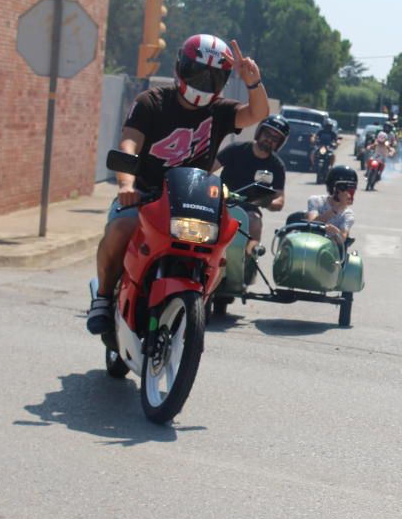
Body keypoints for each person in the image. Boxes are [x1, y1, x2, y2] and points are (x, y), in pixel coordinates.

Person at [87, 34, 269, 335]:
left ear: (223, 81)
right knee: (120, 228)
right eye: (197, 72)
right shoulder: (152, 102)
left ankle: (196, 299)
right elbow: (130, 141)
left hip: (193, 202)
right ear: (179, 68)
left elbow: (257, 114)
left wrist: (253, 82)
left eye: (213, 76)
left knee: (221, 251)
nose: (203, 81)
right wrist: (126, 184)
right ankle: (104, 299)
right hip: (146, 196)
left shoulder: (220, 111)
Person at [212, 114, 288, 257]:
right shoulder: (235, 150)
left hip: (249, 209)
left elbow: (280, 200)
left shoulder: (277, 166)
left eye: (275, 138)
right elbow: (208, 170)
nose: (269, 139)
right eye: (267, 134)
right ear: (259, 132)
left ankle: (249, 259)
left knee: (254, 220)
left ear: (279, 143)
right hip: (222, 203)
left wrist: (267, 202)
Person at [305, 165, 357, 250]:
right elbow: (312, 223)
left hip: (329, 253)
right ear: (333, 187)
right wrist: (336, 209)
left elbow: (342, 238)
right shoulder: (316, 200)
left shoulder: (348, 214)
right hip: (309, 246)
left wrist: (336, 232)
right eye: (343, 188)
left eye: (351, 188)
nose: (347, 192)